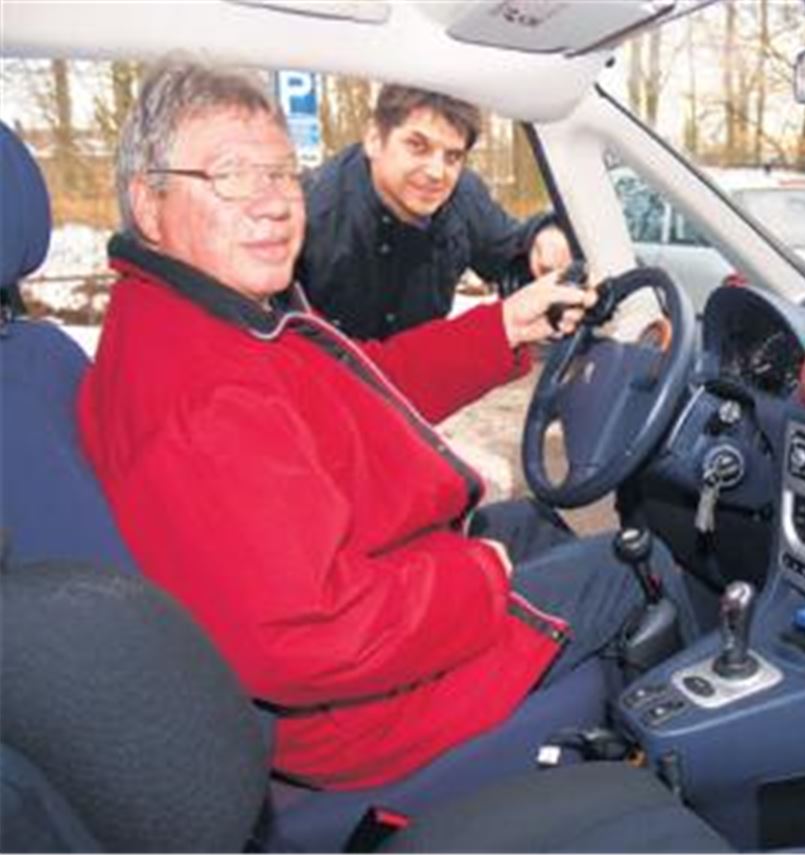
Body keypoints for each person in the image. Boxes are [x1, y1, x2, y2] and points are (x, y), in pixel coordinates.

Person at [79, 60, 685, 791]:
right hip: (360, 715)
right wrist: (476, 576)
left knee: (532, 520)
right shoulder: (200, 391)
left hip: (358, 584)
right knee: (641, 564)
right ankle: (675, 788)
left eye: (281, 173)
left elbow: (353, 381)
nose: (273, 204)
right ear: (149, 203)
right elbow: (310, 634)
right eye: (233, 175)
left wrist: (504, 325)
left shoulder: (198, 312)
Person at [297, 84, 573, 340]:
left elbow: (510, 256)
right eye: (417, 146)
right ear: (374, 139)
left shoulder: (463, 198)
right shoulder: (310, 213)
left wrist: (545, 236)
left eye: (452, 157)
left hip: (414, 380)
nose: (436, 173)